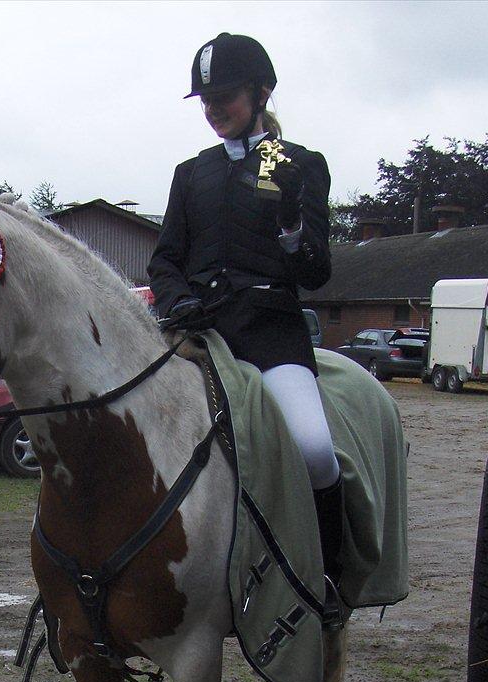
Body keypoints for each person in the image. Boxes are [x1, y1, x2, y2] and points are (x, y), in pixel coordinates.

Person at [148, 32, 344, 602]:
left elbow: (315, 272)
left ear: (261, 92)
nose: (213, 110)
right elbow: (165, 259)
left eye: (225, 97)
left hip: (270, 333)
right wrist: (175, 299)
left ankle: (328, 577)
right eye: (205, 101)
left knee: (312, 449)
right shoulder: (191, 174)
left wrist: (290, 223)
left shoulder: (302, 166)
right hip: (201, 334)